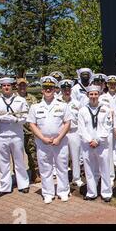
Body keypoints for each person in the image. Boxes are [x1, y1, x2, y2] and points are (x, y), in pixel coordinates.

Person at [27, 76, 72, 204]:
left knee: (62, 167)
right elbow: (32, 124)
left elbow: (67, 123)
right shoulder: (35, 107)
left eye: (50, 88)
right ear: (42, 90)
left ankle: (63, 191)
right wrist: (42, 138)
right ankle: (47, 193)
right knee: (45, 169)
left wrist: (58, 138)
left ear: (54, 89)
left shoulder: (62, 105)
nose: (48, 90)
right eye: (45, 88)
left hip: (60, 142)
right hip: (42, 143)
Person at [0, 77, 30, 198]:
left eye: (8, 86)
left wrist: (16, 119)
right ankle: (5, 187)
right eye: (4, 86)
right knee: (3, 162)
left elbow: (26, 116)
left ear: (12, 87)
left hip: (16, 135)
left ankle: (23, 184)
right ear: (1, 87)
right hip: (1, 135)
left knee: (19, 161)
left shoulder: (20, 100)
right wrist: (0, 118)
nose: (6, 88)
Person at [78, 85, 114, 202]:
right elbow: (81, 128)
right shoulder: (83, 110)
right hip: (87, 145)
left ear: (99, 95)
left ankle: (106, 193)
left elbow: (108, 126)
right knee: (89, 170)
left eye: (95, 94)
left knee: (105, 169)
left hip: (102, 144)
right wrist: (90, 140)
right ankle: (91, 192)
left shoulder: (106, 109)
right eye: (91, 94)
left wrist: (97, 140)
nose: (93, 96)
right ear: (88, 95)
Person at [59, 79, 84, 187]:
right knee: (62, 157)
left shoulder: (77, 103)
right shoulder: (57, 103)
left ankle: (76, 177)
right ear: (61, 90)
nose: (66, 91)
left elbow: (82, 119)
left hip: (74, 132)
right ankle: (63, 179)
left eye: (68, 89)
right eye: (64, 89)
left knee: (76, 156)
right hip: (62, 133)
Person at [16, 78, 40, 183]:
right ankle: (18, 176)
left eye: (24, 85)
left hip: (29, 131)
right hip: (16, 131)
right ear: (16, 86)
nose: (22, 87)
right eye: (20, 85)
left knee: (32, 153)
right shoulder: (12, 98)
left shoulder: (32, 98)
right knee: (17, 155)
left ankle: (34, 174)